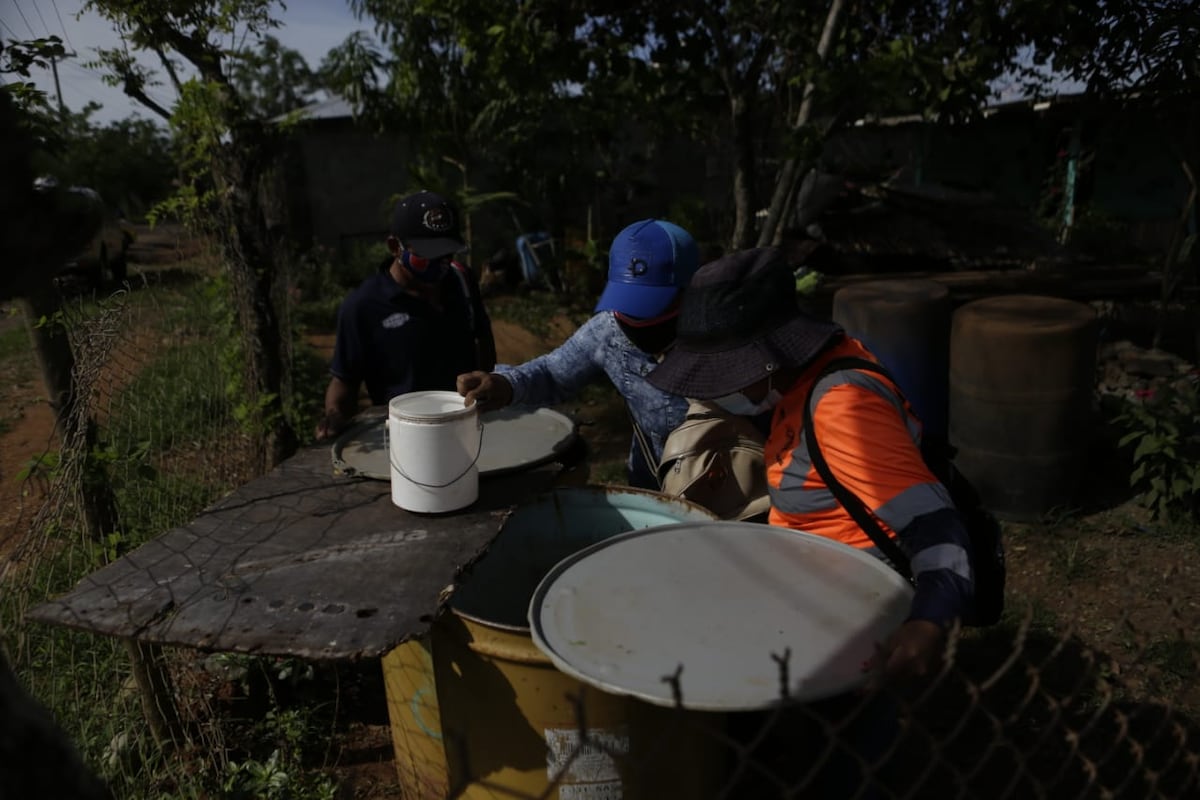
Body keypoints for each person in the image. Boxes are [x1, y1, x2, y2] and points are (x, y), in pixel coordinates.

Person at [648, 246, 974, 682]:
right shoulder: (802, 378)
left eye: (723, 371)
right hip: (808, 593)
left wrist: (928, 623)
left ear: (769, 355)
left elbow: (937, 527)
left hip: (854, 619)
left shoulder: (842, 405)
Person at [456, 219, 699, 489]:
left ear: (690, 291)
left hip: (726, 490)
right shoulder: (608, 330)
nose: (636, 320)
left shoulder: (727, 336)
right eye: (630, 304)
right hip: (653, 482)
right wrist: (507, 384)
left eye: (651, 306)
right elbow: (553, 373)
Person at [316, 191, 495, 439]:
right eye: (427, 255)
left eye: (447, 254)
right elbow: (345, 380)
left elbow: (482, 339)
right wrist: (334, 416)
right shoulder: (363, 307)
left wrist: (487, 385)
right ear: (394, 247)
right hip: (406, 435)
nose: (440, 264)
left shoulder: (462, 280)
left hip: (466, 424)